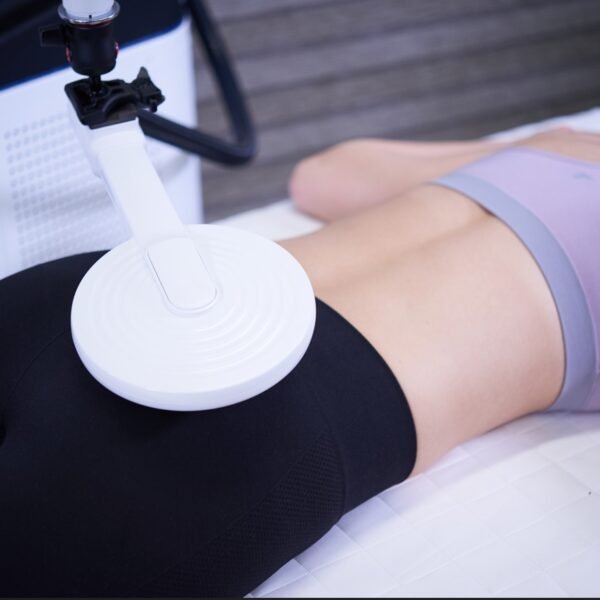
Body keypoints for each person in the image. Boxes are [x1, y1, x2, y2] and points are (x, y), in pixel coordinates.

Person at [0, 128, 597, 596]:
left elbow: (322, 178)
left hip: (88, 299)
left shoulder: (569, 146)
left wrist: (524, 155)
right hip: (245, 421)